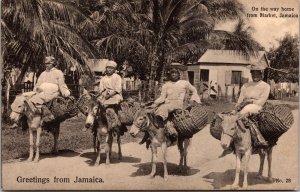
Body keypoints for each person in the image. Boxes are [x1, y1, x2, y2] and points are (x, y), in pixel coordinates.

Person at [220, 64, 270, 157]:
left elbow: (261, 101)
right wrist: (235, 109)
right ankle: (230, 145)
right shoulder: (246, 86)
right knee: (231, 120)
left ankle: (258, 140)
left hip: (257, 107)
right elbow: (240, 100)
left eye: (257, 73)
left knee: (242, 116)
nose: (255, 76)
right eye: (253, 73)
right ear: (251, 74)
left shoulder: (265, 86)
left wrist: (250, 101)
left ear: (261, 74)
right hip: (243, 107)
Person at [151, 63, 201, 128]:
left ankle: (160, 124)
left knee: (163, 108)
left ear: (179, 74)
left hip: (178, 104)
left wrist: (193, 99)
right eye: (172, 73)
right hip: (167, 104)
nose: (173, 74)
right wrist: (154, 103)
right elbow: (162, 98)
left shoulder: (184, 83)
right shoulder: (166, 84)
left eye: (175, 73)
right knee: (155, 110)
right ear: (170, 74)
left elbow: (194, 90)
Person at [24, 56, 71, 121]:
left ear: (53, 64)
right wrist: (36, 90)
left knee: (37, 99)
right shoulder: (43, 73)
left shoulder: (58, 72)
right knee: (26, 98)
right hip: (42, 91)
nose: (47, 65)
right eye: (46, 63)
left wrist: (65, 92)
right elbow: (38, 84)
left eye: (49, 63)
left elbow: (62, 84)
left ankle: (48, 116)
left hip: (53, 92)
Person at [95, 60, 123, 130]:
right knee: (96, 104)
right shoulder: (103, 79)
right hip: (104, 95)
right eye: (108, 68)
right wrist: (101, 94)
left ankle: (114, 121)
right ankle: (95, 122)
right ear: (106, 69)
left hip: (115, 95)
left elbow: (118, 89)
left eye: (111, 68)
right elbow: (101, 89)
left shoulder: (117, 77)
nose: (109, 69)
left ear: (114, 69)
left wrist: (109, 95)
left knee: (111, 103)